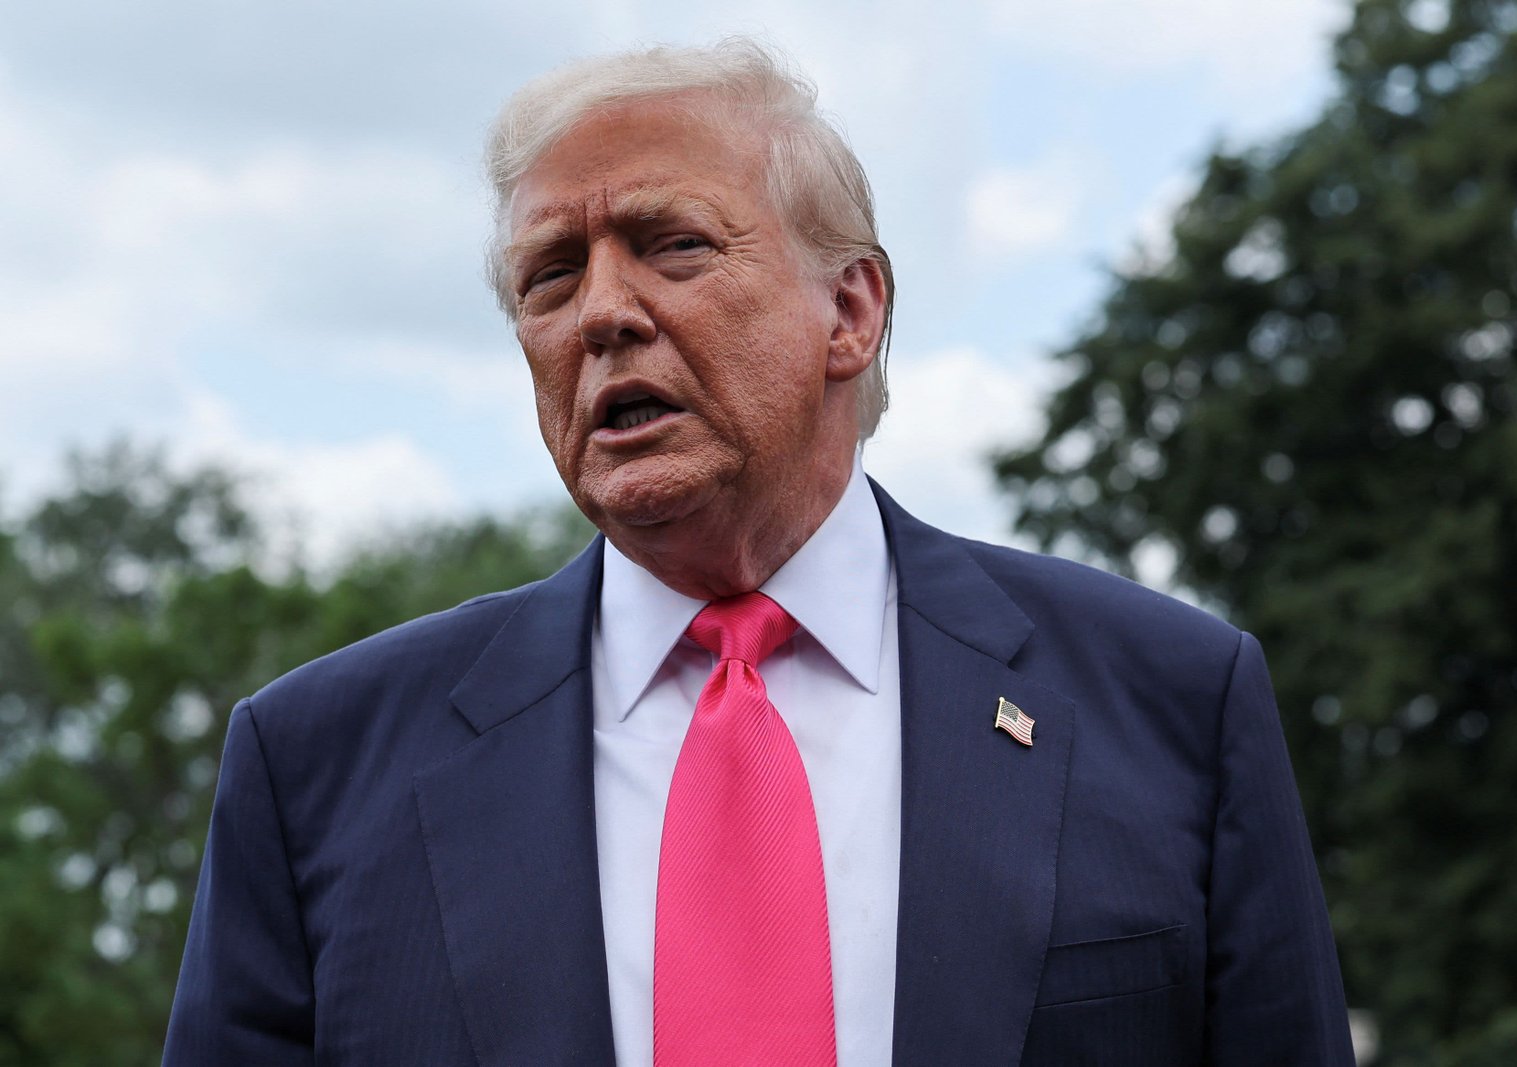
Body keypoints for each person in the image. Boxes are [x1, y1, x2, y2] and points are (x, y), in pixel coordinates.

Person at [164, 38, 1356, 1067]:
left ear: (851, 311)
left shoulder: (1172, 703)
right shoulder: (316, 767)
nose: (602, 313)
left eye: (672, 244)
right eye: (551, 275)